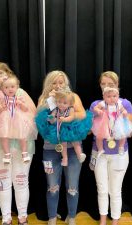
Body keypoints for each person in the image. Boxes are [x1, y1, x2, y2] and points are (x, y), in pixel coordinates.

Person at [0, 62, 36, 225]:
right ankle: (6, 217)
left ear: (8, 73)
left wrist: (20, 108)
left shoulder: (20, 92)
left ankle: (22, 216)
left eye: (0, 73)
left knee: (21, 180)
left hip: (22, 144)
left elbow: (34, 115)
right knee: (3, 182)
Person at [36, 70, 87, 225]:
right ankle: (52, 218)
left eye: (61, 82)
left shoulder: (73, 97)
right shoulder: (44, 98)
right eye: (54, 82)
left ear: (66, 83)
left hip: (72, 148)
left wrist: (64, 113)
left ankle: (71, 217)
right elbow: (38, 116)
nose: (58, 85)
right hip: (50, 149)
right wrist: (51, 101)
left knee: (72, 185)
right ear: (49, 84)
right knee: (52, 186)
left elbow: (82, 114)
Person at [89, 71, 132, 225]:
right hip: (99, 152)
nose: (107, 87)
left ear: (117, 86)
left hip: (119, 153)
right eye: (103, 84)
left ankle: (115, 220)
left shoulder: (125, 104)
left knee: (115, 190)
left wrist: (116, 124)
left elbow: (129, 132)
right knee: (101, 189)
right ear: (100, 85)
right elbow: (90, 130)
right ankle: (103, 220)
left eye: (111, 84)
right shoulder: (96, 104)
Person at [0, 74, 37, 164]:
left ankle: (24, 152)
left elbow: (26, 109)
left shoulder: (19, 97)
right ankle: (6, 154)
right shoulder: (1, 97)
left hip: (18, 118)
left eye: (12, 87)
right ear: (2, 89)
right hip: (5, 119)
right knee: (3, 136)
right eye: (6, 87)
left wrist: (21, 104)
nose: (10, 89)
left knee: (22, 136)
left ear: (17, 87)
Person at [36, 87, 90, 166]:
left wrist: (65, 119)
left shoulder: (70, 109)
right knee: (63, 143)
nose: (61, 104)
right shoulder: (56, 109)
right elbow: (53, 117)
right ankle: (65, 158)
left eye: (65, 103)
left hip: (69, 127)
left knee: (75, 141)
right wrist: (51, 118)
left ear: (70, 103)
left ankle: (80, 154)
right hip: (61, 128)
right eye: (59, 102)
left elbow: (71, 117)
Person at [91, 86, 132, 157]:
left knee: (123, 134)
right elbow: (95, 108)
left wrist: (124, 112)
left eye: (114, 96)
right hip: (105, 122)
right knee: (99, 137)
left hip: (117, 122)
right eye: (108, 96)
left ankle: (121, 147)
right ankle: (100, 149)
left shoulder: (119, 103)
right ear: (104, 97)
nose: (112, 98)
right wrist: (98, 110)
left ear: (118, 96)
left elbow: (123, 110)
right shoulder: (103, 103)